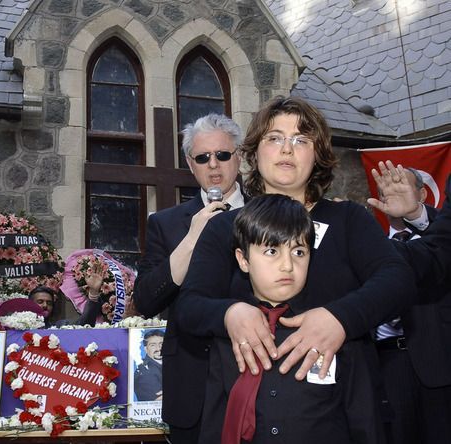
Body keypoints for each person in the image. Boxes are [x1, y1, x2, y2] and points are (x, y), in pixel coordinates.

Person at [175, 97, 416, 442]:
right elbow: (189, 305)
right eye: (275, 138)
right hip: (246, 417)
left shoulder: (348, 219)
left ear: (317, 155)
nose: (287, 149)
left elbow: (398, 279)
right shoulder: (225, 227)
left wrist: (340, 318)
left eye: (301, 140)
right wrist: (230, 313)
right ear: (254, 152)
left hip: (340, 416)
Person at [218, 193, 382, 443]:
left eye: (298, 252)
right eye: (272, 250)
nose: (287, 265)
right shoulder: (229, 334)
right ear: (243, 260)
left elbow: (364, 421)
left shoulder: (334, 330)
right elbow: (213, 420)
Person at [133, 113, 245, 443]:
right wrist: (192, 238)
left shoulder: (267, 212)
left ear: (239, 156)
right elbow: (146, 300)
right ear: (190, 163)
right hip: (192, 378)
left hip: (255, 373)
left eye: (223, 154)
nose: (214, 165)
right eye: (203, 157)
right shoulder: (166, 224)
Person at [371, 165, 451, 444]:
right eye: (384, 187)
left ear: (421, 193)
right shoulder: (370, 249)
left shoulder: (436, 240)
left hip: (437, 365)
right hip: (386, 366)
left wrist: (416, 214)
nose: (390, 191)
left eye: (401, 184)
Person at [134, 329, 164, 402]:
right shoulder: (145, 372)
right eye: (153, 345)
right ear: (145, 349)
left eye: (162, 344)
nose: (159, 348)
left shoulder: (171, 364)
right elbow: (159, 400)